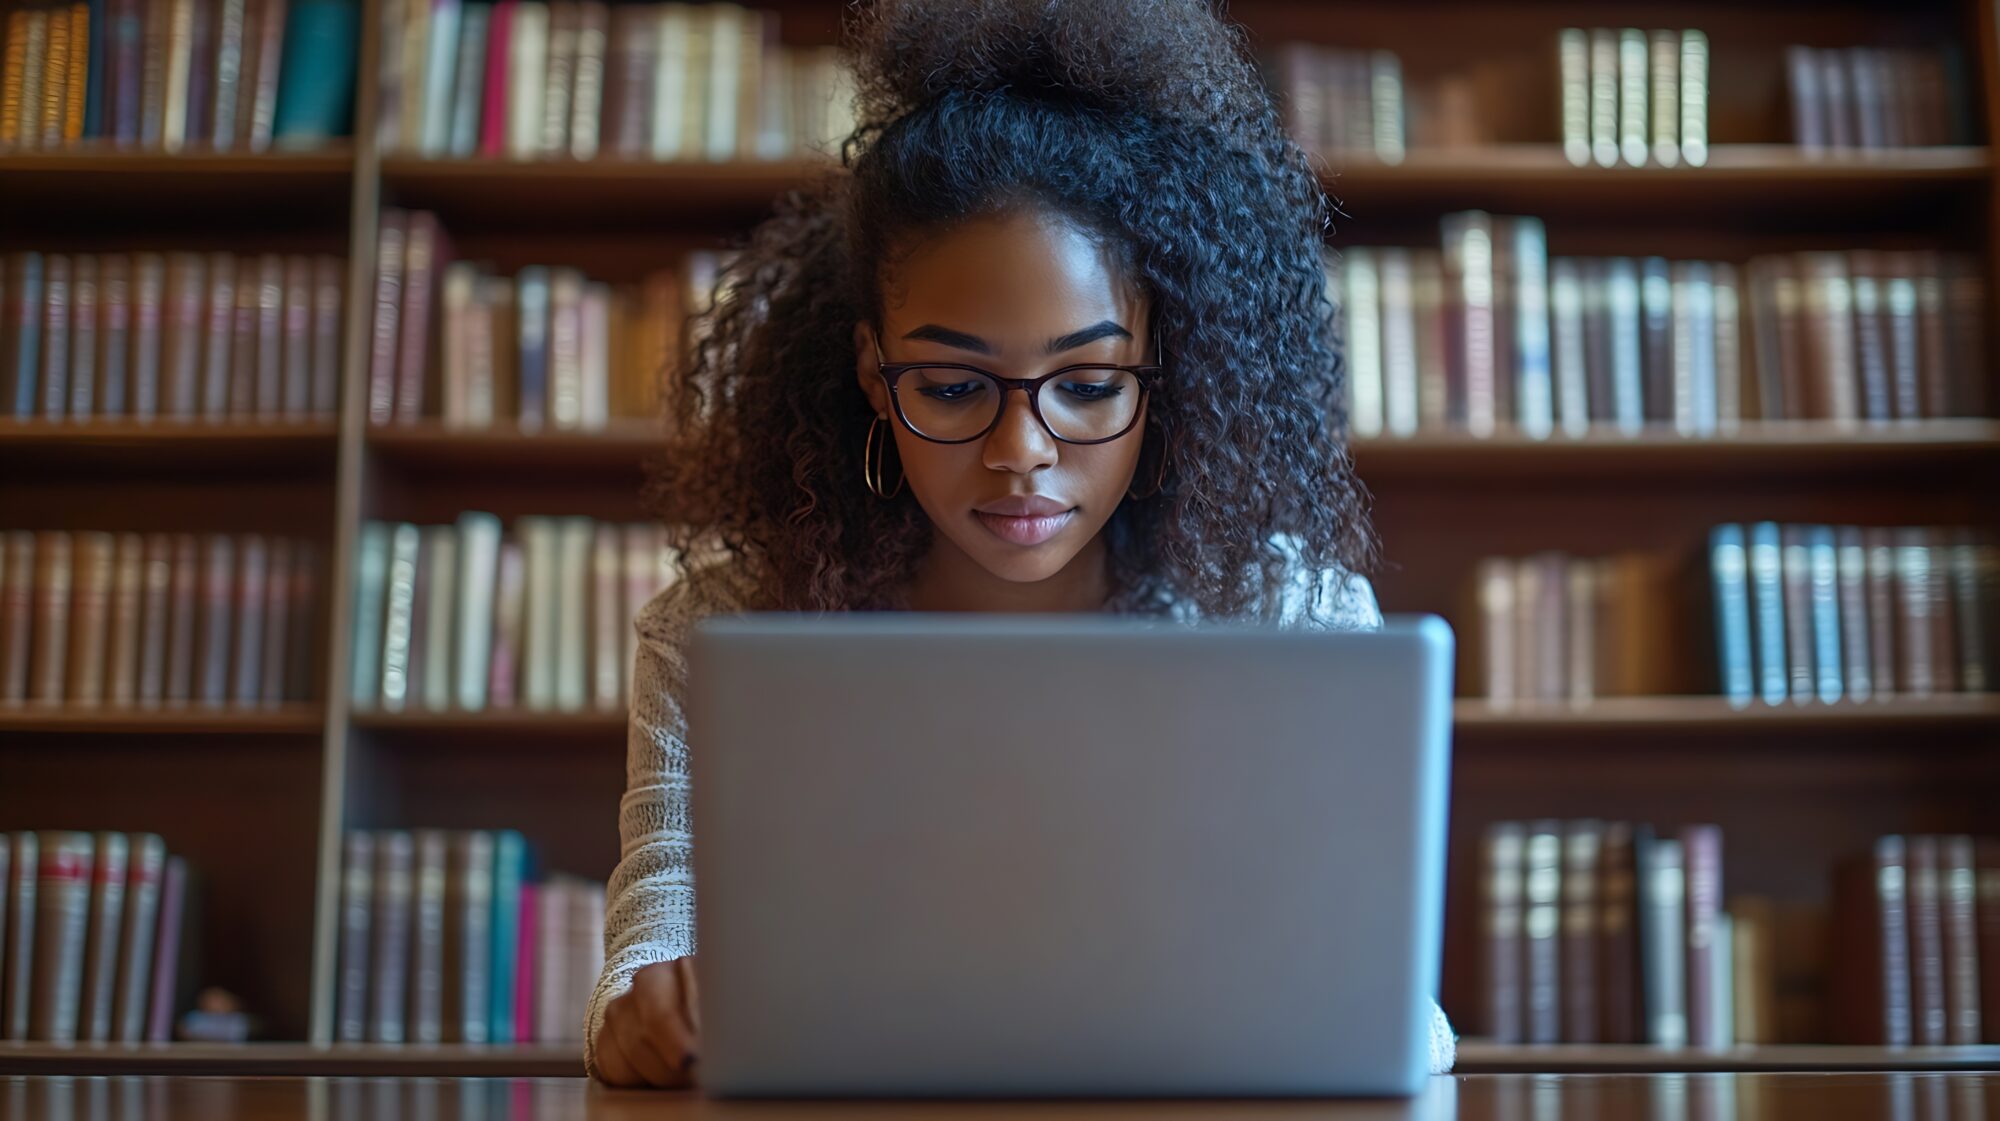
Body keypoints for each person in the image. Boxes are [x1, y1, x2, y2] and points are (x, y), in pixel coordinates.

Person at [585, 0, 1456, 1087]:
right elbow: (644, 962)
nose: (1020, 451)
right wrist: (646, 1009)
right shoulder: (719, 631)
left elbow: (1408, 1028)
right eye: (953, 386)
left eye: (1087, 384)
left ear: (1162, 375)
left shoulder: (1292, 623)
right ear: (873, 375)